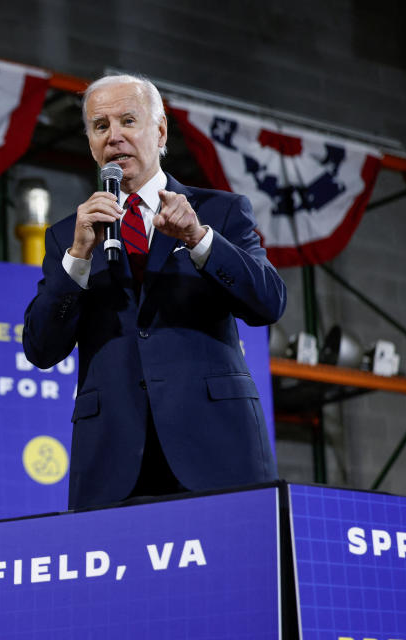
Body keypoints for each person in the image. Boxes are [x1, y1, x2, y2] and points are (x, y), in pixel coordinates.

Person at [23, 73, 286, 510]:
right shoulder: (68, 236)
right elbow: (40, 347)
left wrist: (200, 239)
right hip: (112, 461)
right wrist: (78, 258)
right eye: (100, 126)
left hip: (215, 447)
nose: (115, 137)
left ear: (159, 130)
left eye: (129, 120)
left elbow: (268, 302)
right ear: (89, 140)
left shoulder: (219, 211)